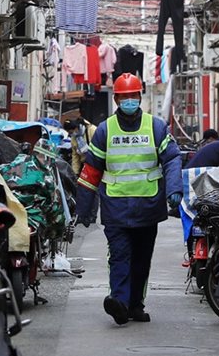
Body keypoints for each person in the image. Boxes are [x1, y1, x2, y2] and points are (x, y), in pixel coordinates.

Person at [74, 73, 182, 325]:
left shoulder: (155, 127)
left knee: (142, 259)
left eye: (134, 96)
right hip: (116, 209)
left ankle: (135, 305)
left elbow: (172, 158)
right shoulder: (105, 130)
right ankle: (120, 302)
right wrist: (85, 209)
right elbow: (91, 170)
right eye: (125, 97)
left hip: (148, 207)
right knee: (120, 256)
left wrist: (174, 188)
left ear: (140, 97)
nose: (130, 100)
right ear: (117, 99)